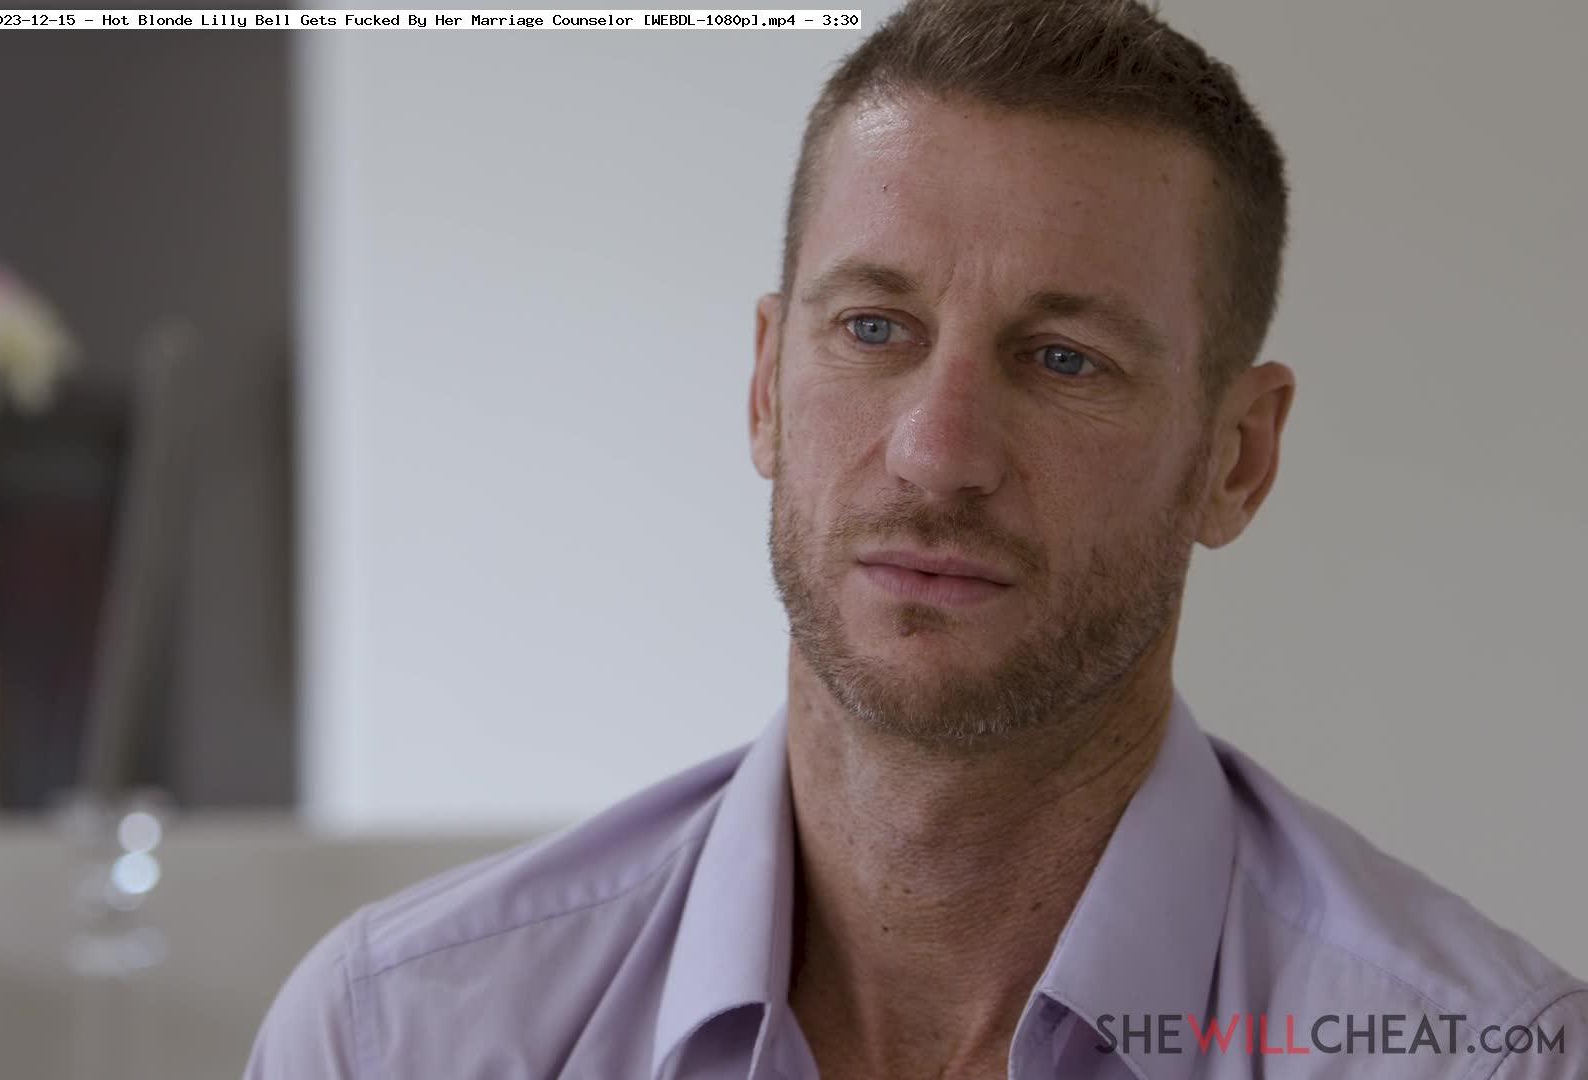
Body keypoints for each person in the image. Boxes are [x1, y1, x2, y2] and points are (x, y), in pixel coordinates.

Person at [246, 0, 1587, 1076]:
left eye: (1064, 359)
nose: (938, 452)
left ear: (1236, 459)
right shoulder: (396, 1038)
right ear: (766, 387)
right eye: (874, 328)